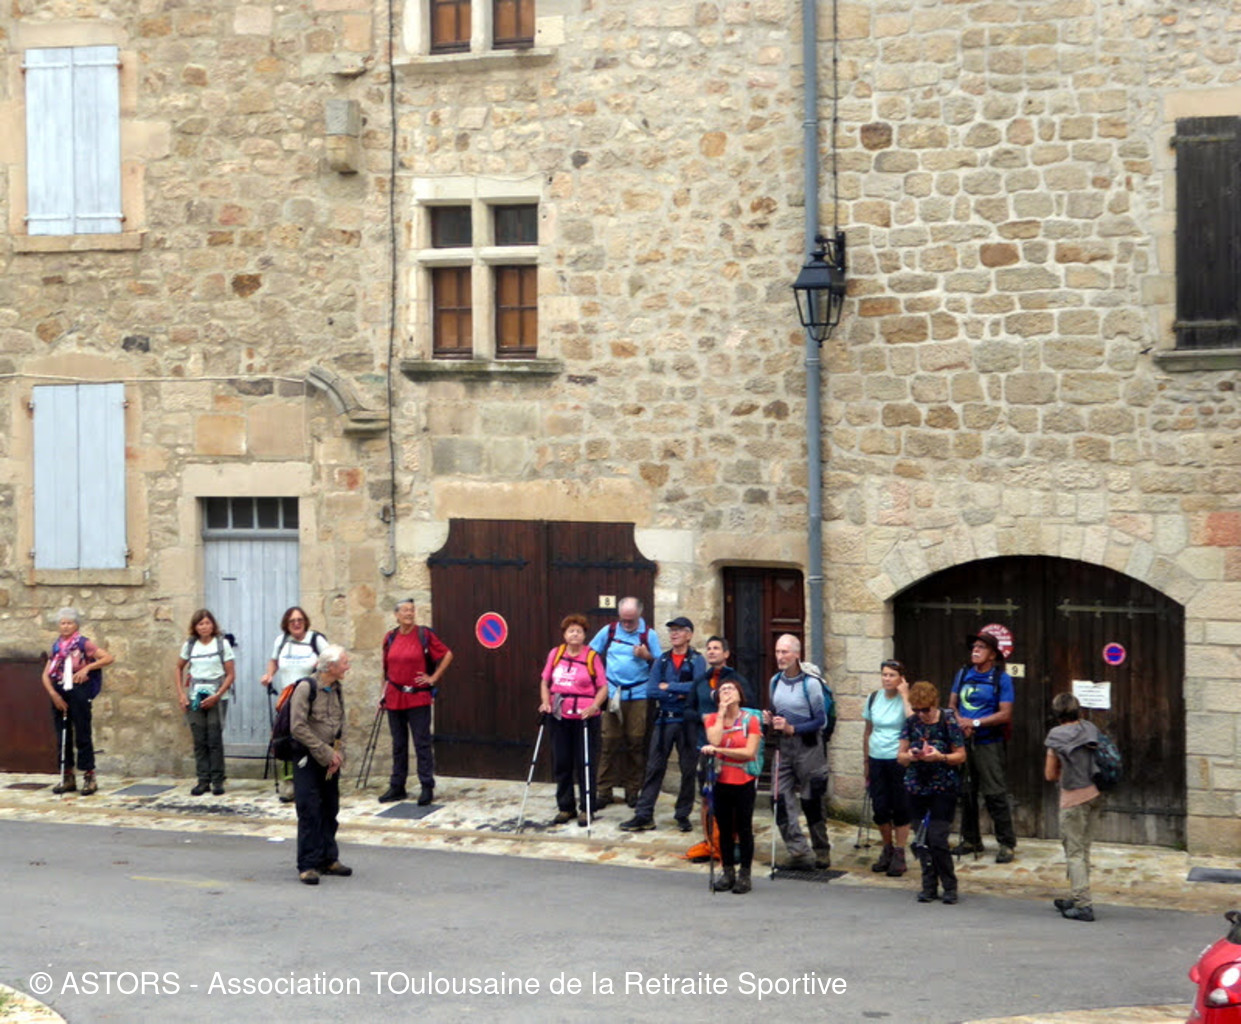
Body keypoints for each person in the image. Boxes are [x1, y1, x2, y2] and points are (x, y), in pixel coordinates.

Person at [619, 617, 706, 832]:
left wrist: (669, 687)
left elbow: (698, 687)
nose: (674, 634)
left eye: (679, 630)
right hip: (664, 720)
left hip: (687, 723)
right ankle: (644, 814)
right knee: (654, 767)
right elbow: (652, 690)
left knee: (688, 769)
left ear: (689, 634)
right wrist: (678, 691)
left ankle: (682, 814)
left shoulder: (697, 660)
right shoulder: (662, 660)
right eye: (671, 630)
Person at [764, 634, 831, 870]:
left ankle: (821, 850)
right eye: (777, 652)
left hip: (809, 747)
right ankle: (799, 851)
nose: (780, 657)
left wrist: (793, 729)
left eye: (785, 652)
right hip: (784, 747)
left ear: (797, 654)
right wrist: (770, 719)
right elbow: (776, 710)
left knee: (812, 800)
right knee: (779, 798)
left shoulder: (810, 684)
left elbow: (821, 721)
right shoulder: (775, 681)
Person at [949, 631, 1017, 863]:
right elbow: (952, 705)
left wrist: (975, 723)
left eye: (981, 647)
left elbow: (1005, 714)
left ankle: (1006, 844)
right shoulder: (962, 674)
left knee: (994, 793)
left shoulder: (1001, 678)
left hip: (989, 742)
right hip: (964, 741)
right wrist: (961, 722)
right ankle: (971, 840)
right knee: (966, 791)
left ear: (992, 654)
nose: (975, 650)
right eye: (974, 647)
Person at [685, 635, 754, 861]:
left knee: (731, 801)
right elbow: (688, 710)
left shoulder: (736, 681)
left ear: (726, 653)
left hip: (731, 750)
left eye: (716, 648)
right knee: (707, 798)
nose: (711, 651)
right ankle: (710, 842)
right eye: (709, 648)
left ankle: (731, 841)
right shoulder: (700, 681)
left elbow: (749, 707)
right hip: (705, 748)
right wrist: (704, 717)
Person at [379, 598, 453, 806]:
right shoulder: (390, 637)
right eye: (404, 610)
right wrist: (382, 694)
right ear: (396, 615)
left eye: (411, 610)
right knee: (398, 744)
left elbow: (447, 654)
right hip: (394, 696)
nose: (409, 613)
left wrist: (433, 678)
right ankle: (397, 786)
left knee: (422, 743)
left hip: (418, 697)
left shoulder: (424, 635)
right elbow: (386, 670)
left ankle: (426, 786)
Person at [898, 680, 966, 904]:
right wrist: (911, 756)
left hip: (943, 786)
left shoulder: (948, 721)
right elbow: (900, 756)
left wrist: (940, 757)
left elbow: (960, 755)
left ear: (934, 704)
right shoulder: (910, 723)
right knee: (921, 839)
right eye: (916, 710)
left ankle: (949, 886)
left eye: (925, 710)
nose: (921, 715)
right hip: (916, 786)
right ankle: (928, 885)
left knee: (937, 838)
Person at [590, 597, 661, 809]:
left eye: (631, 620)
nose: (627, 624)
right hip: (612, 695)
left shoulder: (649, 635)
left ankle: (633, 791)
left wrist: (647, 656)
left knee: (635, 744)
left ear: (640, 615)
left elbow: (660, 664)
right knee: (608, 743)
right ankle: (604, 792)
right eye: (624, 620)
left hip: (639, 695)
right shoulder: (609, 631)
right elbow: (591, 655)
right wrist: (598, 682)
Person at [538, 614, 608, 826]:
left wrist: (594, 706)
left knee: (585, 763)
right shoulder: (556, 654)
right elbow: (545, 682)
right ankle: (566, 807)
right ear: (564, 634)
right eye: (571, 631)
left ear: (584, 635)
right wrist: (545, 702)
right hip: (559, 715)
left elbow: (603, 687)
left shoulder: (592, 657)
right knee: (562, 762)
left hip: (585, 717)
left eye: (579, 631)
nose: (575, 634)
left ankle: (587, 808)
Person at [291, 644, 352, 885]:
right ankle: (308, 864)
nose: (348, 667)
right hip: (307, 757)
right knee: (309, 809)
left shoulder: (337, 689)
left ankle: (328, 858)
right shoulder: (306, 688)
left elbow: (341, 723)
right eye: (344, 663)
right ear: (331, 666)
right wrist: (326, 753)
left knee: (330, 807)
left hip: (330, 759)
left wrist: (339, 754)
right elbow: (297, 727)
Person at [40, 607, 114, 796]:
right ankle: (67, 776)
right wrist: (53, 694)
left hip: (79, 689)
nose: (65, 626)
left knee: (82, 732)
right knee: (62, 734)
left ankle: (89, 776)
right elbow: (46, 674)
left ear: (76, 625)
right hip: (59, 690)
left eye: (69, 623)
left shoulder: (83, 643)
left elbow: (107, 657)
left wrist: (87, 668)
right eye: (62, 623)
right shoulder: (56, 647)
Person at [260, 606, 329, 803]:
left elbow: (330, 662)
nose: (296, 624)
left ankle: (314, 781)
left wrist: (321, 670)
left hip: (311, 699)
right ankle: (290, 783)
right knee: (287, 739)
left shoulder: (316, 640)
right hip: (287, 698)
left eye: (300, 620)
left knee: (311, 739)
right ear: (286, 624)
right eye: (292, 621)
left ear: (305, 621)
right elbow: (274, 661)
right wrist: (269, 675)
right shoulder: (281, 641)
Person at [701, 679, 763, 894]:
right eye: (723, 690)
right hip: (721, 781)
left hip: (744, 780)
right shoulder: (711, 718)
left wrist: (721, 752)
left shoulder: (751, 720)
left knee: (744, 827)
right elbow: (715, 739)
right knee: (724, 828)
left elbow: (749, 752)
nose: (727, 692)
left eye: (731, 689)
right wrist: (721, 712)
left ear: (739, 695)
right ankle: (727, 871)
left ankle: (745, 874)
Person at [1045, 692, 1101, 922]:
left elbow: (1049, 774)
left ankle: (1083, 904)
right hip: (1094, 793)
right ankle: (1078, 894)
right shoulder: (1089, 728)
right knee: (1084, 849)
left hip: (1072, 798)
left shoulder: (1056, 735)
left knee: (1074, 852)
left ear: (1057, 713)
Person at [175, 609, 236, 796]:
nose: (204, 627)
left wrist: (218, 695)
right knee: (199, 739)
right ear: (195, 627)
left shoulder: (222, 644)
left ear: (213, 625)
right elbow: (178, 668)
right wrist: (182, 695)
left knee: (214, 738)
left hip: (217, 697)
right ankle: (203, 780)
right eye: (200, 624)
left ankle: (217, 780)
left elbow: (231, 674)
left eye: (207, 623)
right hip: (196, 697)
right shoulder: (190, 645)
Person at [862, 659, 913, 876]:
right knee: (880, 807)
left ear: (901, 678)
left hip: (898, 759)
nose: (887, 679)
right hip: (877, 758)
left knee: (901, 806)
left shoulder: (905, 699)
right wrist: (865, 760)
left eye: (892, 675)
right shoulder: (874, 698)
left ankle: (900, 852)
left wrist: (905, 695)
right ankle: (887, 848)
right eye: (884, 674)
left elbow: (913, 722)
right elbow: (868, 730)